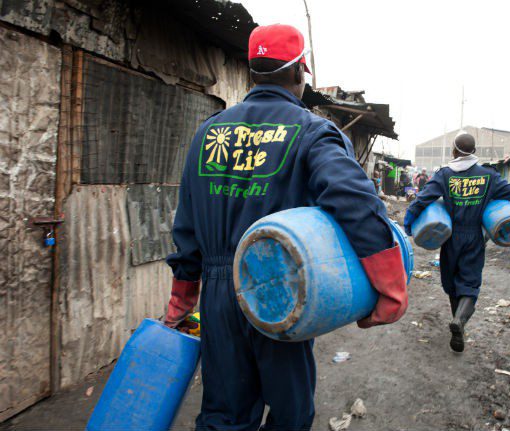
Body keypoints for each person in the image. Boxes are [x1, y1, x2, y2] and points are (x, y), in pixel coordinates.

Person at [163, 24, 408, 431]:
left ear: (254, 73)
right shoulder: (312, 132)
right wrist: (391, 284)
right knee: (290, 415)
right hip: (280, 292)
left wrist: (182, 298)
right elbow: (356, 203)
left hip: (220, 297)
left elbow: (186, 225)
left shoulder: (207, 133)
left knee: (223, 415)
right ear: (299, 73)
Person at [404, 131, 510, 353]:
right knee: (469, 284)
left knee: (451, 283)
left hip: (451, 236)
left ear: (454, 150)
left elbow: (422, 200)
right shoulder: (489, 175)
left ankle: (457, 320)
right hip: (475, 236)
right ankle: (460, 322)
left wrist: (409, 224)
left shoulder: (445, 174)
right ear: (474, 151)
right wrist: (492, 204)